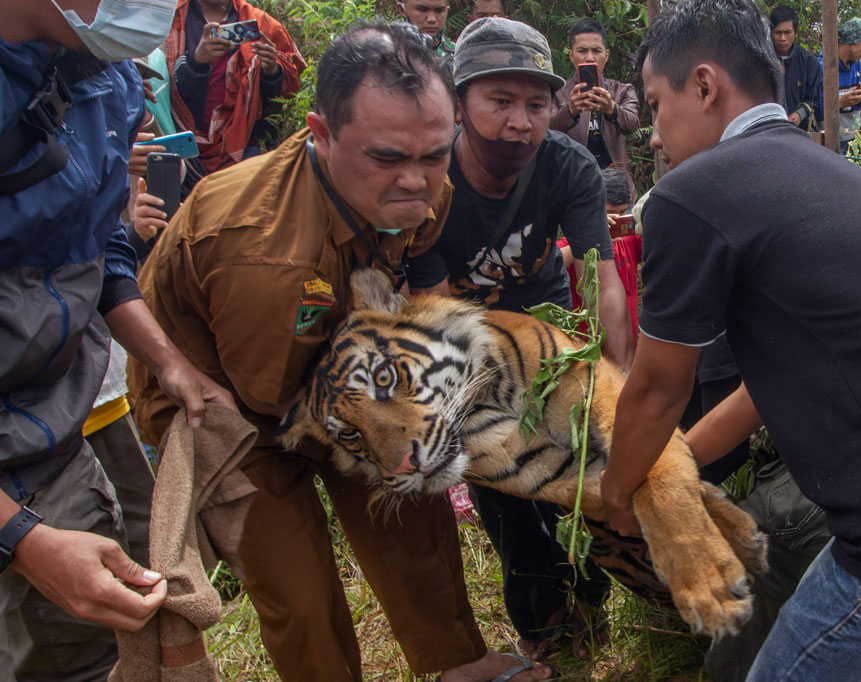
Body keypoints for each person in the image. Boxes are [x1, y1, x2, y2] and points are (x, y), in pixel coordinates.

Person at [601, 2, 861, 682]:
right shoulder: (818, 169)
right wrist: (672, 466)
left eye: (654, 106)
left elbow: (655, 386)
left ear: (705, 87)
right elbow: (758, 394)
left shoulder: (692, 192)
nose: (651, 136)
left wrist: (618, 495)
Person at [129, 21, 551, 682]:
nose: (417, 181)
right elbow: (274, 397)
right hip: (219, 396)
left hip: (330, 356)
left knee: (410, 506)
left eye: (435, 155)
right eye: (387, 158)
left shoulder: (421, 190)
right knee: (294, 582)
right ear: (320, 134)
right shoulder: (261, 248)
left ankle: (458, 662)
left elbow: (400, 279)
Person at [0, 1, 237, 680]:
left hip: (50, 441)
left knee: (92, 653)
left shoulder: (108, 82)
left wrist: (169, 364)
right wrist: (22, 540)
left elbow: (98, 246)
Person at [406, 17, 635, 660]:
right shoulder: (430, 179)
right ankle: (543, 633)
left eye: (537, 105)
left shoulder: (567, 167)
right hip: (463, 339)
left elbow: (603, 280)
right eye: (499, 101)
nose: (520, 122)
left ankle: (591, 608)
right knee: (508, 494)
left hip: (546, 322)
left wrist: (617, 385)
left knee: (578, 474)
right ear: (460, 103)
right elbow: (436, 307)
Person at [165, 0, 306, 174]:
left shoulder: (261, 24)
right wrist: (196, 61)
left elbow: (287, 92)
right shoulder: (169, 17)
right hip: (175, 142)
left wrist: (272, 70)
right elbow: (155, 84)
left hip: (240, 144)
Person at [550, 19, 642, 199]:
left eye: (596, 51)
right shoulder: (558, 93)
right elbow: (546, 130)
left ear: (606, 55)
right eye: (582, 50)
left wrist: (612, 109)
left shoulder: (622, 90)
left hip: (618, 186)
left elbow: (632, 124)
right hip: (574, 184)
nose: (589, 57)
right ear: (571, 55)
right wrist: (570, 110)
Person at [559, 167, 643, 341]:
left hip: (626, 340)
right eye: (609, 213)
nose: (616, 220)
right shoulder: (578, 238)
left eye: (622, 213)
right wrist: (591, 236)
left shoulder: (630, 238)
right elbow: (551, 265)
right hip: (584, 344)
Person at [817, 17, 861, 155]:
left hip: (853, 138)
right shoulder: (822, 67)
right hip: (829, 141)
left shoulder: (859, 65)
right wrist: (840, 103)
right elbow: (815, 110)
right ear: (853, 43)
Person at [768, 5, 821, 131]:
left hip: (800, 130)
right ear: (770, 32)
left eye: (787, 32)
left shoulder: (809, 62)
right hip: (768, 129)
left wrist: (800, 114)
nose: (782, 38)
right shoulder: (762, 61)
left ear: (795, 33)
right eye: (778, 32)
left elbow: (815, 99)